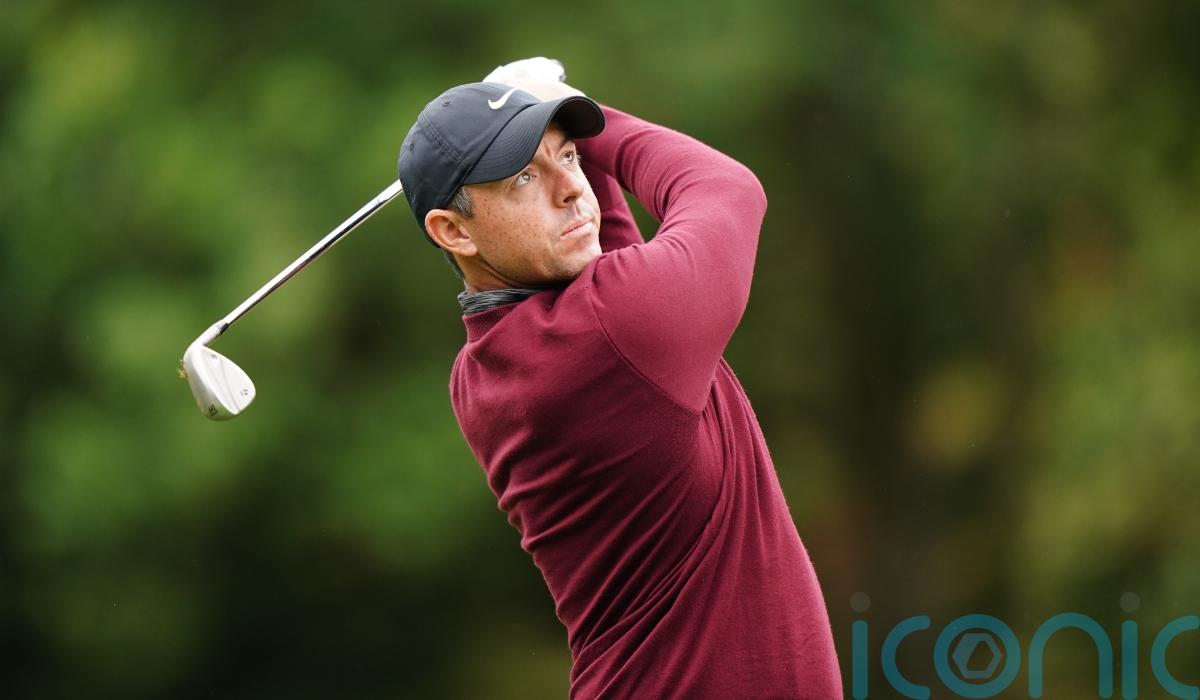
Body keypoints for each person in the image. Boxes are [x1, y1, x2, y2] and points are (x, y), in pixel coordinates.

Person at [396, 63, 843, 699]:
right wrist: (586, 111)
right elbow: (729, 189)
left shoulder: (480, 370)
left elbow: (599, 257)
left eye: (569, 156)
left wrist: (551, 120)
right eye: (524, 177)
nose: (570, 189)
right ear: (452, 230)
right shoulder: (614, 331)